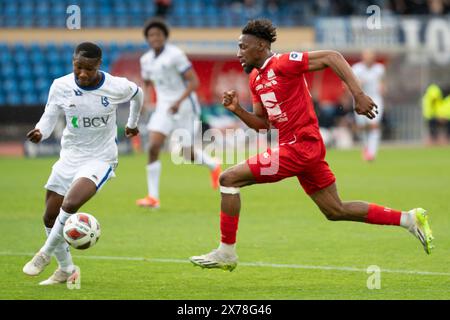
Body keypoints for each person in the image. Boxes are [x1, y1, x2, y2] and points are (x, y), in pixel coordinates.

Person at [189, 19, 434, 271]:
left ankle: (227, 252)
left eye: (243, 47)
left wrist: (358, 95)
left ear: (261, 45)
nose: (238, 53)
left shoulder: (283, 63)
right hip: (299, 148)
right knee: (335, 210)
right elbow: (263, 125)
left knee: (229, 178)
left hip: (300, 145)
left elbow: (332, 56)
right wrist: (237, 110)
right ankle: (409, 219)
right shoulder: (255, 80)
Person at [22, 42, 143, 284]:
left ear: (99, 65)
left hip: (101, 157)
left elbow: (138, 94)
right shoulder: (61, 85)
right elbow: (50, 115)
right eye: (78, 67)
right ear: (73, 63)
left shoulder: (115, 86)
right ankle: (66, 269)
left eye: (88, 68)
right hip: (70, 156)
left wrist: (131, 123)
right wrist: (40, 132)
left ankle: (44, 254)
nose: (83, 73)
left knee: (72, 202)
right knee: (49, 216)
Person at [136, 18, 221, 209]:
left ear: (165, 37)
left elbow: (194, 82)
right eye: (151, 35)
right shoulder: (146, 60)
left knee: (186, 153)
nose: (154, 37)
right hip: (163, 107)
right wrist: (144, 102)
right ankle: (153, 197)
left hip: (185, 107)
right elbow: (147, 83)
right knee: (153, 146)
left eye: (158, 34)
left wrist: (178, 101)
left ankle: (213, 166)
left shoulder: (176, 55)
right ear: (147, 39)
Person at [352, 49, 385, 161]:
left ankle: (372, 152)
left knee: (374, 125)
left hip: (375, 99)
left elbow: (382, 83)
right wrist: (359, 84)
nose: (369, 58)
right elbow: (351, 85)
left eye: (371, 56)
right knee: (362, 127)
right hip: (361, 99)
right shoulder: (357, 68)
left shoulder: (379, 69)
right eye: (367, 56)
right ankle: (365, 147)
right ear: (363, 57)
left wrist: (382, 88)